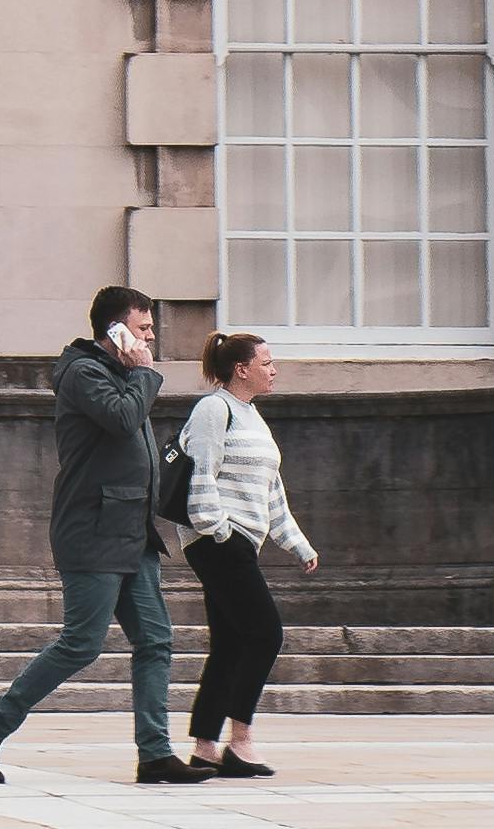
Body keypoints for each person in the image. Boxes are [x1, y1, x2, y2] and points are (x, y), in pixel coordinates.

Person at [0, 284, 199, 785]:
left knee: (155, 639)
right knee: (82, 644)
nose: (151, 337)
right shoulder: (84, 373)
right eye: (142, 328)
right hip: (93, 530)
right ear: (115, 330)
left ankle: (155, 753)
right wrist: (144, 372)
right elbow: (123, 419)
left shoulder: (122, 374)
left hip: (133, 532)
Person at [176, 332, 313, 778]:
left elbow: (272, 493)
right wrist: (216, 528)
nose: (274, 370)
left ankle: (205, 748)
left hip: (240, 541)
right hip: (219, 540)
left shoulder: (252, 416)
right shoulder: (214, 409)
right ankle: (241, 740)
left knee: (231, 644)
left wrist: (298, 544)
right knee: (265, 633)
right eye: (266, 362)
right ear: (241, 369)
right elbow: (201, 471)